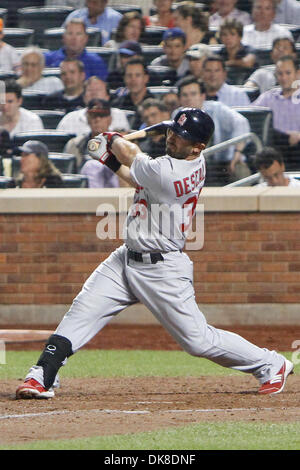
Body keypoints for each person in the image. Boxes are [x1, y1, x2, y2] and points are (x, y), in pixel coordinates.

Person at [15, 107, 294, 400]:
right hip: (126, 258)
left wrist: (112, 138)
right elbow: (139, 178)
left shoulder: (173, 172)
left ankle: (271, 364)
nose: (172, 137)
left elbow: (133, 157)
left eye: (181, 136)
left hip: (163, 267)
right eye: (173, 130)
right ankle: (42, 374)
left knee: (198, 341)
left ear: (198, 147)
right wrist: (108, 158)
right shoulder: (171, 164)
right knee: (81, 312)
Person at [176, 75, 251, 185]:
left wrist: (237, 153)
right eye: (185, 95)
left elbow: (241, 122)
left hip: (223, 162)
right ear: (180, 99)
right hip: (191, 165)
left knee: (240, 169)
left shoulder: (217, 109)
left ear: (202, 96)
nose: (189, 99)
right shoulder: (177, 116)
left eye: (193, 94)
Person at [252, 55, 300, 171]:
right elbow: (251, 116)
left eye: (288, 73)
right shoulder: (268, 97)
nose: (284, 77)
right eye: (280, 73)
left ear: (298, 74)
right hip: (273, 148)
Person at [57, 76, 130, 135]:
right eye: (90, 90)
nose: (94, 94)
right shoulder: (69, 119)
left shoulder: (118, 115)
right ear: (84, 97)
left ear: (108, 96)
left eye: (98, 90)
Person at [44, 18, 108, 81]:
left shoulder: (96, 62)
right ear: (63, 37)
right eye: (70, 33)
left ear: (86, 38)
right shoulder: (48, 59)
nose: (74, 38)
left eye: (78, 34)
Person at [111, 58, 155, 130]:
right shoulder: (116, 105)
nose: (133, 79)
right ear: (124, 78)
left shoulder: (155, 105)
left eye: (137, 75)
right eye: (129, 75)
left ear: (146, 78)